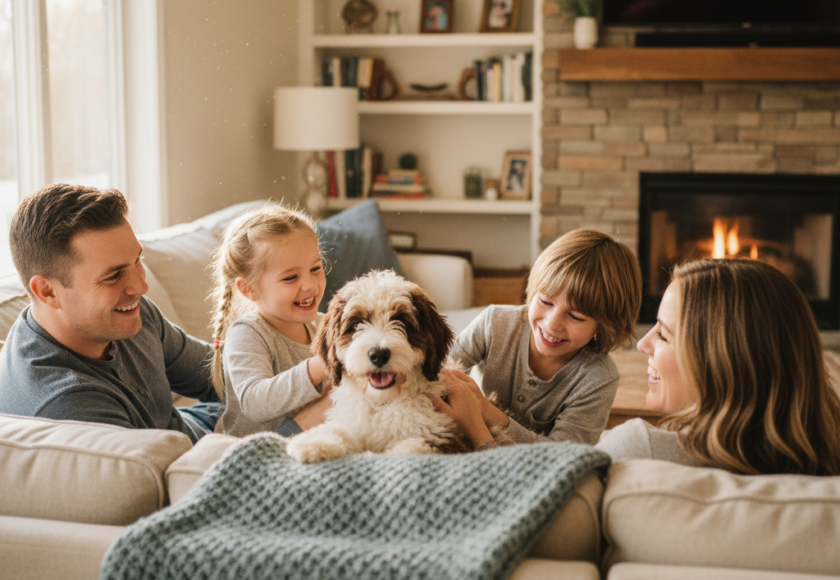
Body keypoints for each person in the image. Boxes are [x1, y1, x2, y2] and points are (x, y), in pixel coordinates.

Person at [0, 184, 222, 443]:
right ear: (47, 291)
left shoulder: (125, 316)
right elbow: (156, 477)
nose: (141, 286)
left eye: (138, 260)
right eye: (113, 275)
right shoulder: (66, 406)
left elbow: (217, 374)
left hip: (198, 430)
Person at [596, 258, 840, 475]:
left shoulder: (638, 450)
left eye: (663, 335)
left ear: (718, 361)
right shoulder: (821, 456)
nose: (642, 344)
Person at [441, 229, 643, 446]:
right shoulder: (495, 323)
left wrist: (486, 411)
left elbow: (564, 456)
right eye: (545, 302)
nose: (552, 324)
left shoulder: (598, 378)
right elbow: (436, 373)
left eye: (575, 316)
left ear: (605, 325)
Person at [210, 202, 330, 438]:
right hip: (257, 450)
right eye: (291, 277)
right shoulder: (247, 333)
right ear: (249, 289)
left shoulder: (324, 325)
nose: (309, 284)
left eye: (315, 268)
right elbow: (255, 402)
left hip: (312, 441)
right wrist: (320, 365)